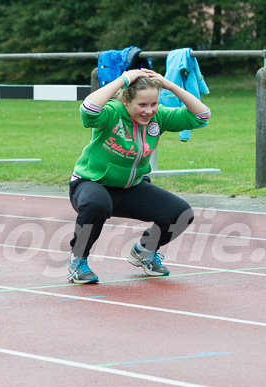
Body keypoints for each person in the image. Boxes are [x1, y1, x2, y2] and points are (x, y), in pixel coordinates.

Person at [67, 68, 211, 284]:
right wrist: (123, 79)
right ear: (126, 101)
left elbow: (201, 115)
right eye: (142, 105)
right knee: (97, 202)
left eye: (153, 104)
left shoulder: (159, 117)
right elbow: (88, 108)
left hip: (131, 187)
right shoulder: (113, 112)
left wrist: (169, 85)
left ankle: (144, 251)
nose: (149, 111)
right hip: (91, 184)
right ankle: (78, 260)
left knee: (181, 213)